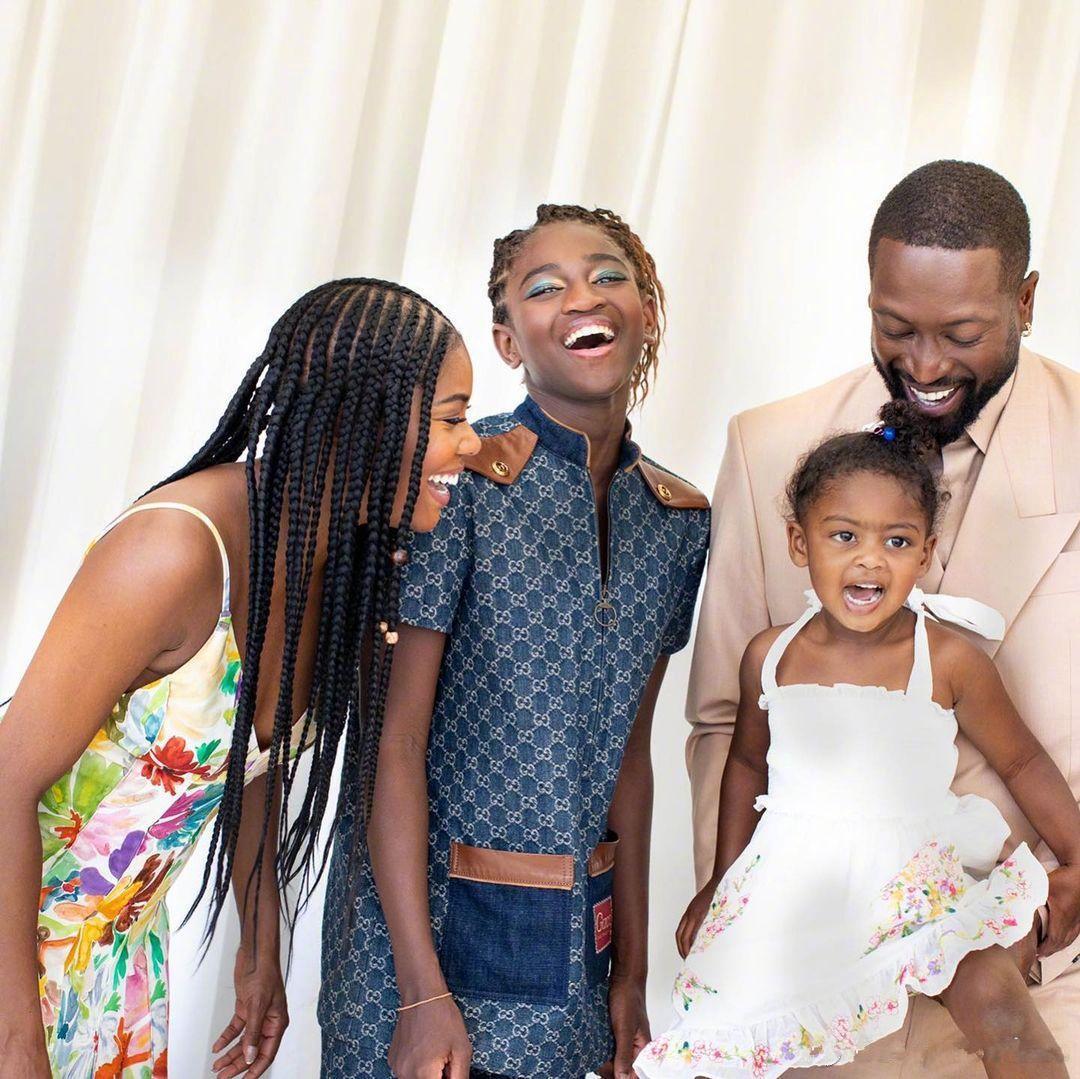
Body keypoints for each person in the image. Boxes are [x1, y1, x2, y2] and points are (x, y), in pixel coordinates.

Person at [0, 279, 479, 1079]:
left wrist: (262, 943)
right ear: (363, 422)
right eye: (452, 418)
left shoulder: (328, 567)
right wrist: (16, 1044)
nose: (469, 443)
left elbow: (251, 760)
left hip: (111, 961)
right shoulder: (177, 550)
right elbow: (5, 781)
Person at [686, 160, 1080, 1074]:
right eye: (895, 328)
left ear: (1026, 301)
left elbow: (1025, 756)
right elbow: (726, 727)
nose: (926, 366)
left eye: (962, 333)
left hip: (1046, 977)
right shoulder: (766, 446)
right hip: (822, 991)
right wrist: (740, 909)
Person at [318, 205, 711, 1079]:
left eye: (607, 276)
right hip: (414, 953)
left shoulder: (678, 519)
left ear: (647, 310)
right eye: (544, 288)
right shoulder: (457, 481)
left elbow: (631, 758)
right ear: (506, 341)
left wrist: (632, 972)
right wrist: (419, 991)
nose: (583, 297)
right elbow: (392, 745)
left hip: (568, 962)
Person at [639, 403, 1080, 1077]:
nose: (871, 558)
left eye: (897, 541)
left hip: (919, 882)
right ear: (799, 543)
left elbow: (1021, 761)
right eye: (843, 536)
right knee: (742, 1035)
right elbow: (746, 765)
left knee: (1005, 1017)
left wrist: (1077, 858)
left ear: (926, 552)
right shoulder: (770, 656)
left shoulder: (948, 658)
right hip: (798, 883)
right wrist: (721, 884)